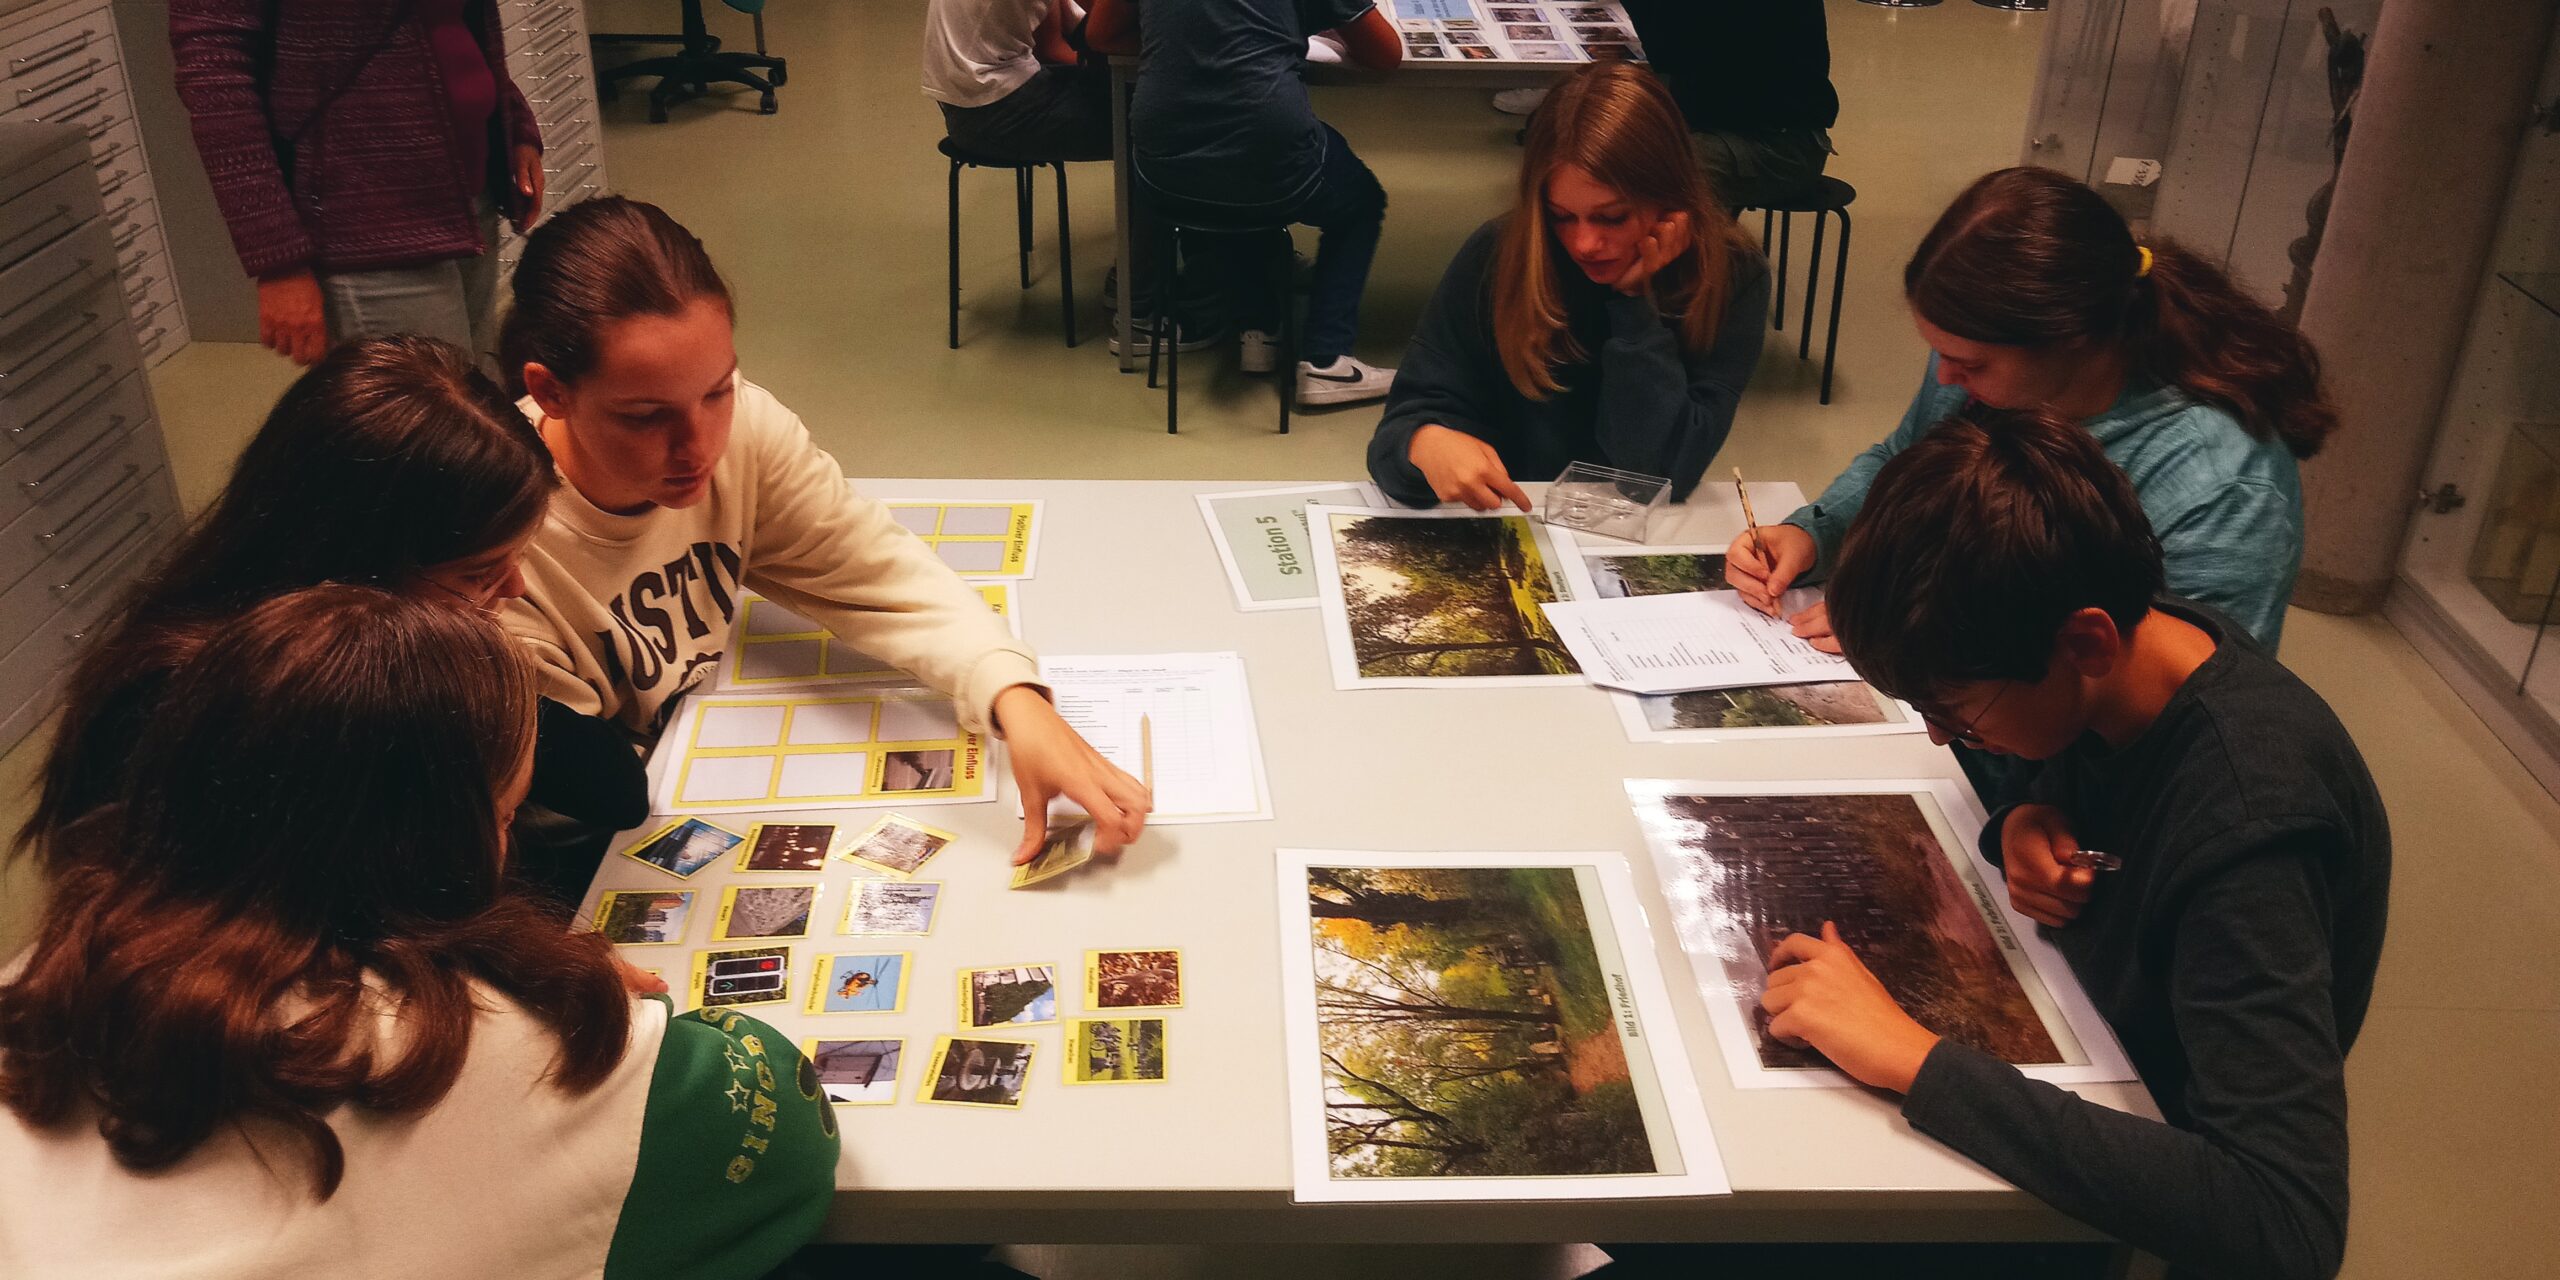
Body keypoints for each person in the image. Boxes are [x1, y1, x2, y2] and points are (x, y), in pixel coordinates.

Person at [0, 586, 838, 1278]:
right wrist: (563, 986)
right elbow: (783, 1128)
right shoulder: (481, 1041)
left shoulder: (40, 979)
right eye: (503, 817)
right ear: (434, 842)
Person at [1754, 407, 2387, 1280]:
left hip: (2123, 1194)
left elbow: (2284, 1222)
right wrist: (2022, 815)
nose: (1939, 737)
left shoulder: (2252, 834)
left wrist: (1918, 1062)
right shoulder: (2147, 643)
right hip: (2077, 1052)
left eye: (1956, 713)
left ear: (2086, 640)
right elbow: (2082, 772)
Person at [496, 197, 1151, 885]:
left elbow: (874, 570)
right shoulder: (497, 552)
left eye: (717, 391)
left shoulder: (745, 432)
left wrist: (1013, 694)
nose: (700, 446)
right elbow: (572, 807)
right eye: (645, 416)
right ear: (551, 392)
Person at [1726, 167, 2337, 655]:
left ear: (2071, 337)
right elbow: (1904, 456)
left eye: (1969, 363)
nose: (1947, 378)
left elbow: (2186, 691)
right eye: (1940, 354)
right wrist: (1816, 532)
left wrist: (1921, 631)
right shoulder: (1988, 365)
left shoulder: (2223, 487)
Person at [18, 335, 561, 856]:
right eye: (479, 574)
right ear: (359, 570)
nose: (514, 588)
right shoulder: (229, 716)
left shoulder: (373, 660)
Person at [1369, 61, 1768, 511]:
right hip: (1507, 517)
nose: (1584, 244)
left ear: (1671, 197)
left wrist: (1634, 307)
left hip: (1631, 528)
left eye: (1612, 217)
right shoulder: (1499, 254)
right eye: (1560, 216)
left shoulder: (1730, 274)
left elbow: (1657, 476)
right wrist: (1424, 441)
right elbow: (1397, 436)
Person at [170, 0, 547, 364]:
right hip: (364, 221)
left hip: (470, 194)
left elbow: (448, 20)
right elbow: (214, 73)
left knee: (478, 391)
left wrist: (513, 124)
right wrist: (279, 261)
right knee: (430, 403)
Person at [1087, 0, 1404, 405]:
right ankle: (1327, 360)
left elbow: (1101, 36)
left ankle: (1258, 323)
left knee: (1227, 184)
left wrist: (1191, 47)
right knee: (1357, 201)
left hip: (1166, 171)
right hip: (1265, 147)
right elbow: (1385, 54)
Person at [923, 0, 1111, 164]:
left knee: (1117, 95)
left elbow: (1079, 25)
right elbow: (1055, 48)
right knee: (1125, 120)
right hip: (991, 113)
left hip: (968, 103)